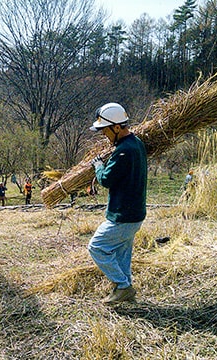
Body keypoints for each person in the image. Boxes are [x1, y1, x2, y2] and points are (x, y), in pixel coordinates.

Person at [88, 102, 147, 305]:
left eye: (105, 131)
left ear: (116, 127)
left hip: (123, 215)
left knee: (96, 247)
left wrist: (98, 166)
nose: (104, 135)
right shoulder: (136, 143)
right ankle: (125, 290)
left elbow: (106, 179)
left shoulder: (124, 151)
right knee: (122, 254)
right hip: (134, 214)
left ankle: (123, 286)